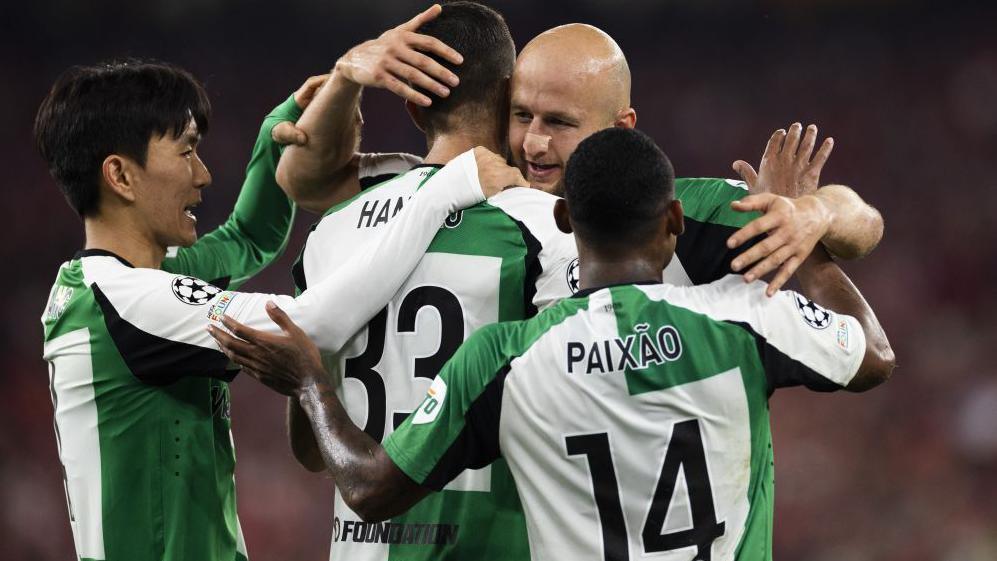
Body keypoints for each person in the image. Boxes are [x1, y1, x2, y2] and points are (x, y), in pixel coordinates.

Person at [211, 127, 896, 561]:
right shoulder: (745, 318)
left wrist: (308, 381)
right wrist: (794, 231)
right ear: (673, 221)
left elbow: (367, 486)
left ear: (564, 218)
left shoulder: (504, 358)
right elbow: (872, 354)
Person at [36, 59, 511, 561]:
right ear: (120, 176)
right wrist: (440, 195)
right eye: (187, 151)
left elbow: (249, 238)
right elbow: (308, 326)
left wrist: (278, 131)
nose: (203, 173)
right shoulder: (125, 299)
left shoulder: (118, 282)